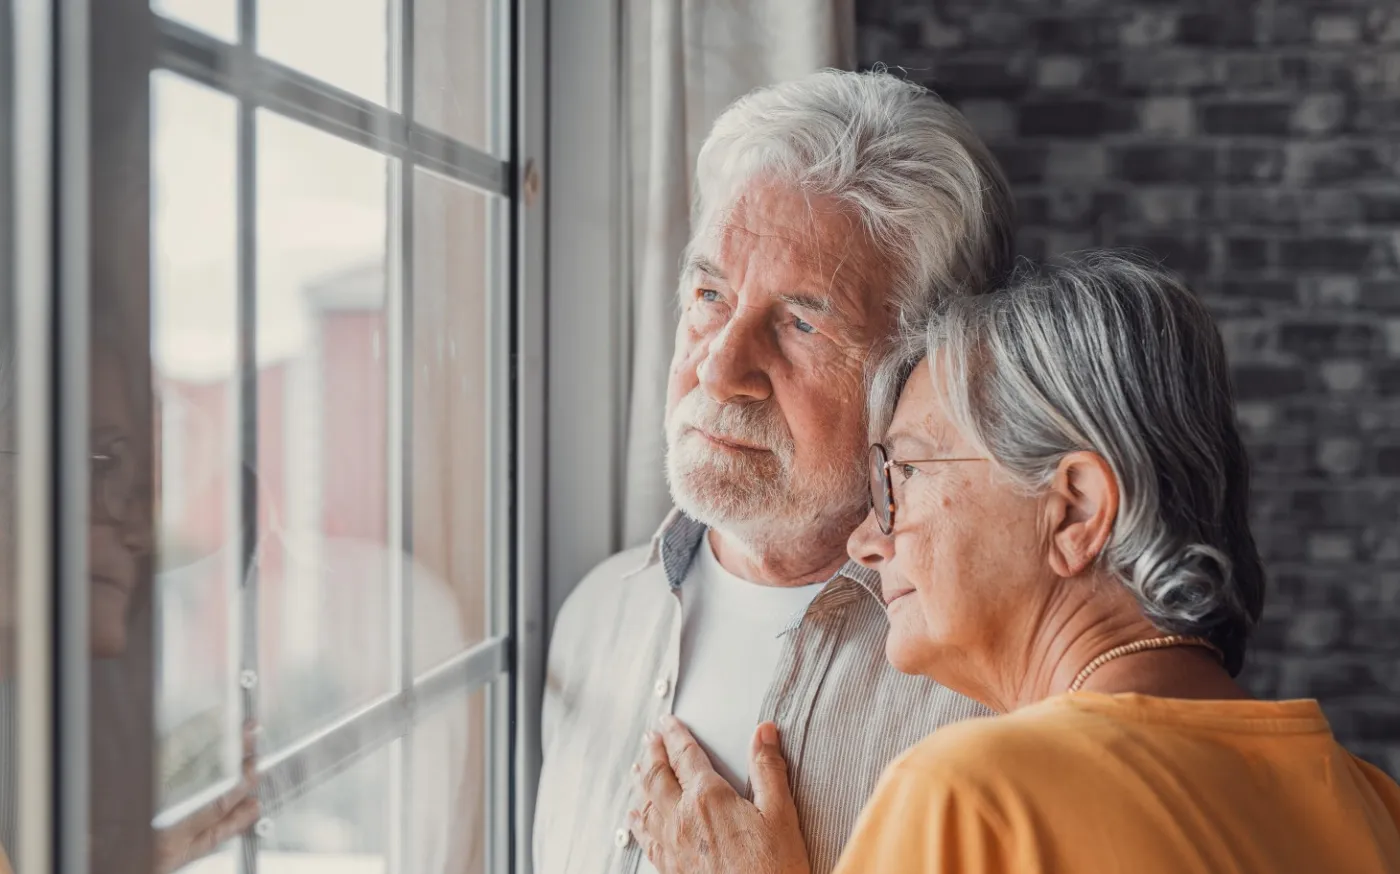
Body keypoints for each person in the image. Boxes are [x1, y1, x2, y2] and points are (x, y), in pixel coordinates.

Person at [627, 252, 1400, 873]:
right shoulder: (1371, 803)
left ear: (1075, 511)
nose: (867, 540)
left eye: (903, 476)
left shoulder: (970, 798)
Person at [534, 69, 1016, 874]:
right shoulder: (594, 617)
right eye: (710, 293)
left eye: (800, 323)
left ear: (923, 374)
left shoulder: (995, 701)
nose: (720, 371)